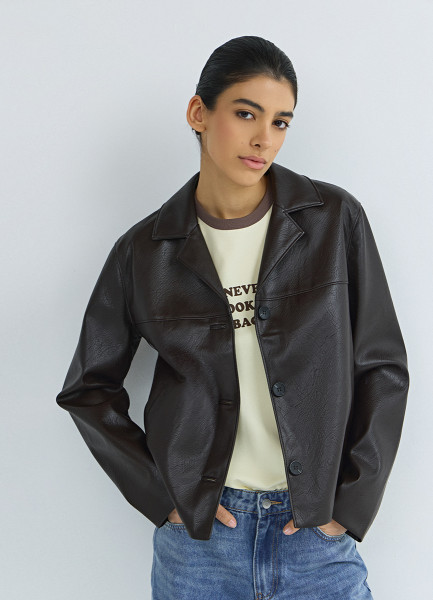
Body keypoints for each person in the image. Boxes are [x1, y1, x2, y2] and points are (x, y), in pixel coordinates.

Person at [56, 36, 409, 599]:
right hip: (199, 546)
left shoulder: (332, 220)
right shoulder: (144, 252)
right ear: (199, 112)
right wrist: (164, 498)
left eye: (281, 121)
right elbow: (88, 389)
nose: (264, 138)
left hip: (315, 538)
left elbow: (382, 368)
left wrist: (349, 504)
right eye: (246, 114)